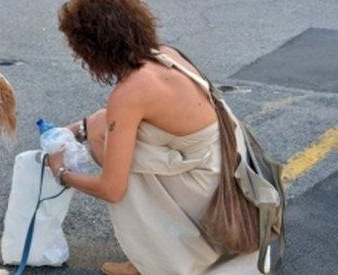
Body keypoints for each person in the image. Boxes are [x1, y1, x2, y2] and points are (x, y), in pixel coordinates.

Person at [47, 0, 261, 274]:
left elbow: (111, 188)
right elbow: (106, 120)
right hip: (225, 169)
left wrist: (61, 171)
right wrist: (72, 131)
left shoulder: (129, 94)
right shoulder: (166, 55)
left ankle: (156, 258)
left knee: (112, 153)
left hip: (213, 202)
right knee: (103, 129)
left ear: (92, 49)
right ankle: (152, 253)